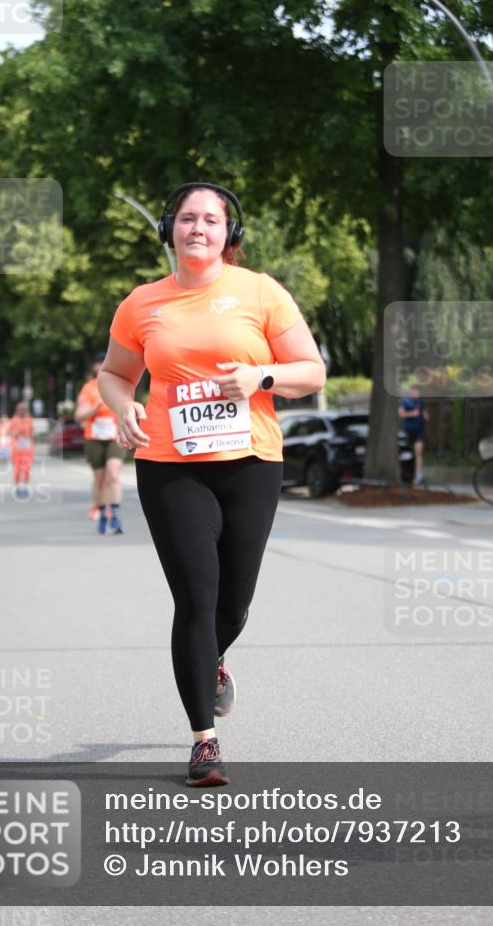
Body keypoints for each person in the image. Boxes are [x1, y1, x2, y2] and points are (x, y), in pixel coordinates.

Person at [98, 182, 325, 787]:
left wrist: (260, 377)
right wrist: (122, 407)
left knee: (234, 603)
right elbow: (116, 374)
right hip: (171, 464)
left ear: (230, 234)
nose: (199, 228)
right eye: (187, 219)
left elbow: (310, 371)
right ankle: (204, 740)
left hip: (251, 461)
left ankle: (212, 661)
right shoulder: (143, 303)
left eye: (212, 220)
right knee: (195, 599)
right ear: (169, 228)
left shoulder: (260, 292)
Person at [75, 352, 125, 534]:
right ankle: (103, 512)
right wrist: (95, 408)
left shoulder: (118, 384)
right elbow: (79, 415)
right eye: (98, 362)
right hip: (94, 438)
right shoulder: (89, 389)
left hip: (114, 437)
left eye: (105, 361)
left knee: (113, 474)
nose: (102, 365)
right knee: (100, 478)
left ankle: (116, 516)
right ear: (94, 367)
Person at [398, 384, 429, 484]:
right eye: (414, 391)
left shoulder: (421, 402)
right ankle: (405, 474)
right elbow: (401, 414)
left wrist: (426, 416)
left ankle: (419, 476)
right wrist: (412, 413)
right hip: (408, 431)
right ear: (411, 392)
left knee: (419, 453)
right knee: (407, 454)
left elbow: (424, 414)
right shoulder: (405, 401)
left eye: (418, 392)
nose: (416, 393)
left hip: (419, 431)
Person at [8, 402, 35, 496]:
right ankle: (17, 486)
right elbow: (11, 433)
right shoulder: (14, 420)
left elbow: (32, 434)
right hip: (17, 449)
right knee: (18, 468)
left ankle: (25, 486)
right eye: (21, 409)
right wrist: (16, 432)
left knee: (27, 468)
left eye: (24, 409)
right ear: (17, 410)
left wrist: (33, 447)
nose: (23, 411)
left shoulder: (29, 419)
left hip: (27, 448)